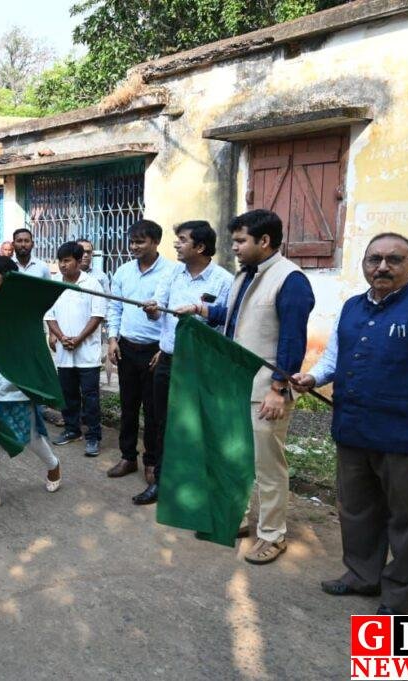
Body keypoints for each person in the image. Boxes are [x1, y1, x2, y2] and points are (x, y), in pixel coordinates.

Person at [293, 233, 408, 614]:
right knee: (357, 511)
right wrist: (312, 379)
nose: (382, 266)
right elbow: (334, 358)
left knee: (406, 523)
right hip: (353, 431)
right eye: (374, 259)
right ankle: (362, 576)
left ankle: (397, 598)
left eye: (394, 259)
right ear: (364, 265)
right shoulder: (351, 307)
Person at [182, 209, 314, 565]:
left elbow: (292, 340)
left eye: (240, 241)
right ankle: (236, 519)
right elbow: (234, 315)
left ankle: (273, 535)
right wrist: (199, 310)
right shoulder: (246, 274)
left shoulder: (291, 281)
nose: (235, 247)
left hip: (265, 390)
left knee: (267, 466)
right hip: (235, 383)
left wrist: (278, 388)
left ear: (264, 241)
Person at [136, 221, 233, 505]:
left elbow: (226, 325)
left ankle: (199, 489)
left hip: (202, 365)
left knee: (198, 426)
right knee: (163, 423)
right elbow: (158, 312)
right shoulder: (172, 274)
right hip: (168, 361)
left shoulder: (224, 281)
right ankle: (163, 484)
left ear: (200, 247)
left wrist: (199, 312)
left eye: (182, 239)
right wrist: (152, 309)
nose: (176, 244)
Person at [0, 256, 61, 511]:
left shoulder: (22, 310)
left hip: (14, 384)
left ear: (7, 278)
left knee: (29, 436)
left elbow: (26, 350)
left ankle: (53, 465)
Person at [106, 220, 171, 482]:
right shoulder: (123, 272)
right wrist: (112, 339)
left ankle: (152, 462)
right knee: (128, 405)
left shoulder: (172, 272)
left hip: (156, 351)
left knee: (154, 410)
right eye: (132, 241)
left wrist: (165, 349)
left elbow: (172, 316)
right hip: (126, 349)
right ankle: (128, 457)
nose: (134, 246)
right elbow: (115, 308)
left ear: (155, 242)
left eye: (140, 242)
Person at [45, 242, 107, 456]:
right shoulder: (54, 284)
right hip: (64, 352)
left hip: (87, 354)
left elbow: (97, 315)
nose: (62, 265)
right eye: (60, 261)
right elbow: (49, 315)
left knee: (90, 397)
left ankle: (93, 437)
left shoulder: (92, 284)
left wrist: (78, 339)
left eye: (67, 260)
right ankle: (72, 430)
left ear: (79, 261)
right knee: (68, 394)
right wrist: (62, 337)